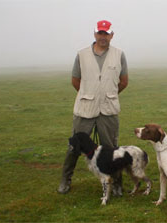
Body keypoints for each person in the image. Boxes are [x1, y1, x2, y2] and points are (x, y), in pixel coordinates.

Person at [58, 20, 128, 195]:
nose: (103, 36)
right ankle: (65, 180)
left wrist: (108, 94)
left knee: (112, 148)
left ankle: (117, 183)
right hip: (85, 109)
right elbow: (75, 80)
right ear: (94, 34)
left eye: (106, 33)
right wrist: (89, 94)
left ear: (112, 35)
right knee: (74, 147)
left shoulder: (119, 54)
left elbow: (124, 81)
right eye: (100, 33)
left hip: (108, 109)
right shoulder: (81, 54)